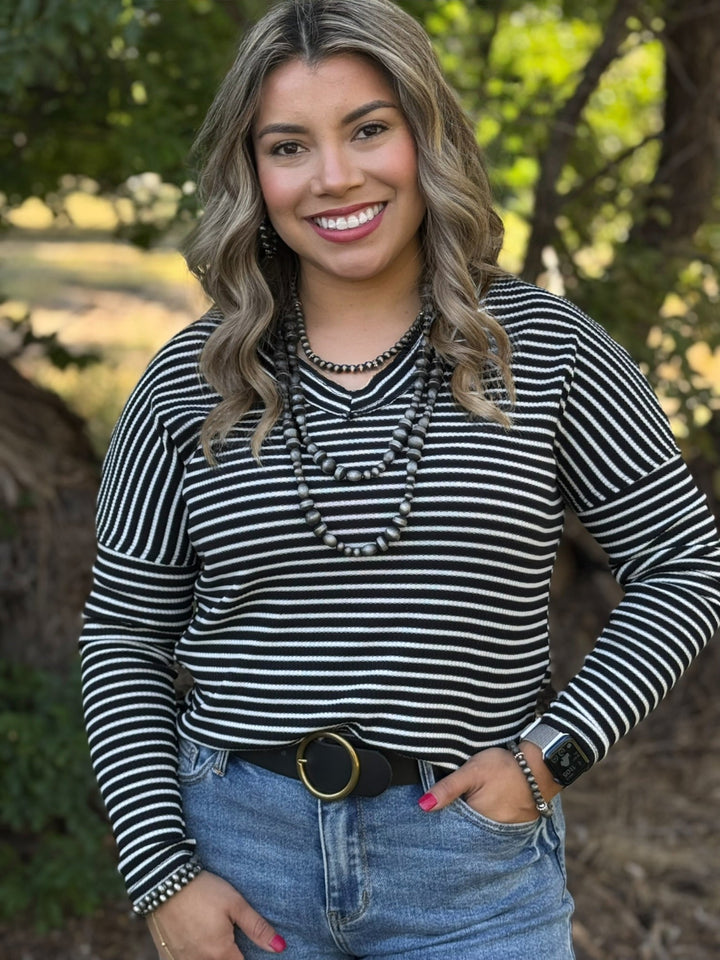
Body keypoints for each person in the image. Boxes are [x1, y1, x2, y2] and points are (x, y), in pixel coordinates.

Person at [79, 1, 720, 958]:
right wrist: (161, 871)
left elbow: (683, 565)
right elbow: (124, 636)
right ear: (252, 172)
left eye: (369, 129)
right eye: (289, 146)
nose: (335, 177)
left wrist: (550, 756)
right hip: (240, 865)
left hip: (471, 877)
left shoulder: (546, 352)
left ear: (428, 134)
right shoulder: (190, 381)